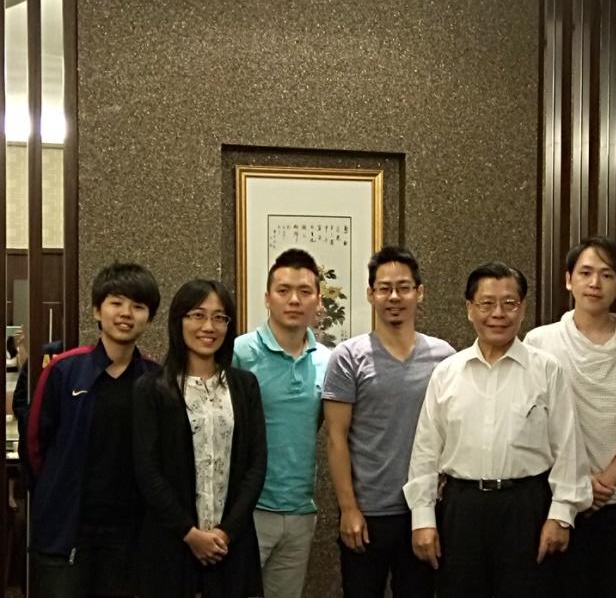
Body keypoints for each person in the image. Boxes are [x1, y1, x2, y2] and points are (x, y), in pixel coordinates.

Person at [404, 262, 591, 598]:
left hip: (526, 507)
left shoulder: (547, 371)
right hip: (462, 508)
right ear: (469, 310)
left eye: (510, 303)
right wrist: (423, 518)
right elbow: (425, 452)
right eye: (486, 303)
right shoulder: (447, 373)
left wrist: (561, 515)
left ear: (522, 309)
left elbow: (568, 448)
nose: (498, 314)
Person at [524, 236, 616, 598]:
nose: (595, 283)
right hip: (559, 498)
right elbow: (530, 423)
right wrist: (579, 482)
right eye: (585, 273)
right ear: (568, 279)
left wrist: (605, 482)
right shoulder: (541, 342)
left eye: (606, 275)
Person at [322, 246, 455, 597]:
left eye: (404, 287)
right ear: (371, 294)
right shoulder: (348, 356)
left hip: (425, 511)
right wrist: (348, 509)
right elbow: (336, 437)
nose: (394, 296)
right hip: (368, 513)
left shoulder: (445, 357)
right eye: (384, 288)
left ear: (419, 292)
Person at [26, 262, 161, 598]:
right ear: (96, 311)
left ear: (150, 317)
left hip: (127, 536)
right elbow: (34, 446)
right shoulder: (64, 370)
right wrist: (54, 493)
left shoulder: (156, 378)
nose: (126, 313)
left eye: (138, 306)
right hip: (67, 531)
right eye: (116, 303)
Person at [133, 280, 267, 598]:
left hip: (231, 546)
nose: (209, 327)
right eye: (197, 315)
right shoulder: (151, 388)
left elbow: (256, 464)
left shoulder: (245, 386)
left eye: (220, 317)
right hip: (171, 544)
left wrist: (225, 533)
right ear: (178, 320)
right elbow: (147, 470)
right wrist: (190, 534)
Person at [233, 248, 330, 598]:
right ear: (267, 298)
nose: (294, 300)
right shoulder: (240, 352)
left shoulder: (328, 361)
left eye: (305, 291)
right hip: (247, 510)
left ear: (318, 300)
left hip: (301, 509)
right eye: (284, 290)